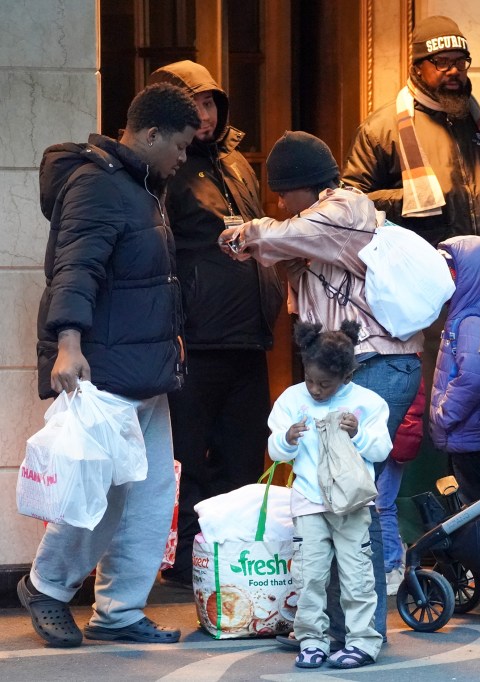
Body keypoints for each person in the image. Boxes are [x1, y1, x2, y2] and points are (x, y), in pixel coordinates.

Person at [219, 130, 422, 648]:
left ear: (305, 187)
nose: (280, 204)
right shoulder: (318, 229)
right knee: (335, 496)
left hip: (379, 364)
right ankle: (334, 627)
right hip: (365, 365)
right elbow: (289, 258)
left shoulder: (345, 208)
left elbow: (279, 236)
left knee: (354, 498)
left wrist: (246, 234)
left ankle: (364, 633)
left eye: (283, 193)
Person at [20, 82, 200, 647]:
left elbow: (144, 281)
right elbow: (75, 269)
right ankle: (47, 587)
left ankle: (119, 612)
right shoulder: (97, 185)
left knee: (148, 501)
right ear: (149, 135)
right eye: (180, 144)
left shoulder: (141, 185)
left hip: (145, 370)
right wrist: (67, 344)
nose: (184, 156)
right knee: (96, 496)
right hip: (103, 374)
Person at [147, 60, 285, 588]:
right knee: (188, 456)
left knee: (245, 451)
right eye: (194, 104)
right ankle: (183, 559)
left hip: (249, 338)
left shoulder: (237, 165)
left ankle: (229, 552)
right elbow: (158, 254)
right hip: (194, 340)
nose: (204, 115)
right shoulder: (163, 167)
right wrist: (171, 327)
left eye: (210, 103)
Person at [341, 14, 480, 273]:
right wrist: (414, 199)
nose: (454, 71)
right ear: (417, 67)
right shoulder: (381, 130)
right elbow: (351, 205)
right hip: (420, 277)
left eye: (460, 61)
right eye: (442, 62)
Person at [268, 320, 389, 670]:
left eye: (326, 384)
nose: (316, 391)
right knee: (309, 576)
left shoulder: (369, 403)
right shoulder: (292, 399)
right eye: (310, 381)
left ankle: (362, 642)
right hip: (307, 501)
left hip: (352, 504)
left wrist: (359, 434)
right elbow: (276, 452)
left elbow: (382, 450)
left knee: (356, 575)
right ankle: (311, 640)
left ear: (347, 377)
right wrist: (286, 439)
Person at [429, 235, 480, 507]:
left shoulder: (470, 320)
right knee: (464, 494)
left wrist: (445, 415)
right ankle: (469, 545)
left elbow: (472, 377)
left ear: (467, 276)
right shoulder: (462, 316)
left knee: (474, 498)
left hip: (465, 431)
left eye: (449, 273)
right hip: (462, 432)